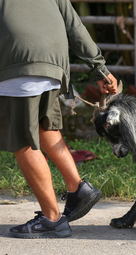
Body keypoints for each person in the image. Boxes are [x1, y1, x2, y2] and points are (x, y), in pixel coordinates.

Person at [0, 0, 117, 238]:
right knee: (44, 128)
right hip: (54, 63)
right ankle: (78, 188)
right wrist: (100, 68)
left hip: (19, 61)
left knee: (22, 139)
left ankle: (52, 218)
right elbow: (74, 26)